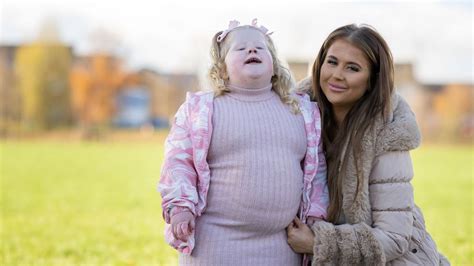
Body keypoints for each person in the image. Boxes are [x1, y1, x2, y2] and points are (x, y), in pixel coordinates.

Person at [158, 19, 329, 265]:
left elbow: (317, 169)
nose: (252, 50)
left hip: (281, 244)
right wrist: (180, 206)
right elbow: (178, 163)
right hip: (214, 243)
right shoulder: (202, 110)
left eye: (261, 48)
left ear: (274, 67)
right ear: (222, 69)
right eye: (240, 49)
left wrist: (315, 216)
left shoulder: (301, 111)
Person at [286, 24, 450, 265]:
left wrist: (318, 243)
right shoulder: (297, 116)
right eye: (332, 62)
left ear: (372, 80)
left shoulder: (388, 133)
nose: (337, 75)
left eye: (353, 68)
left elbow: (394, 239)